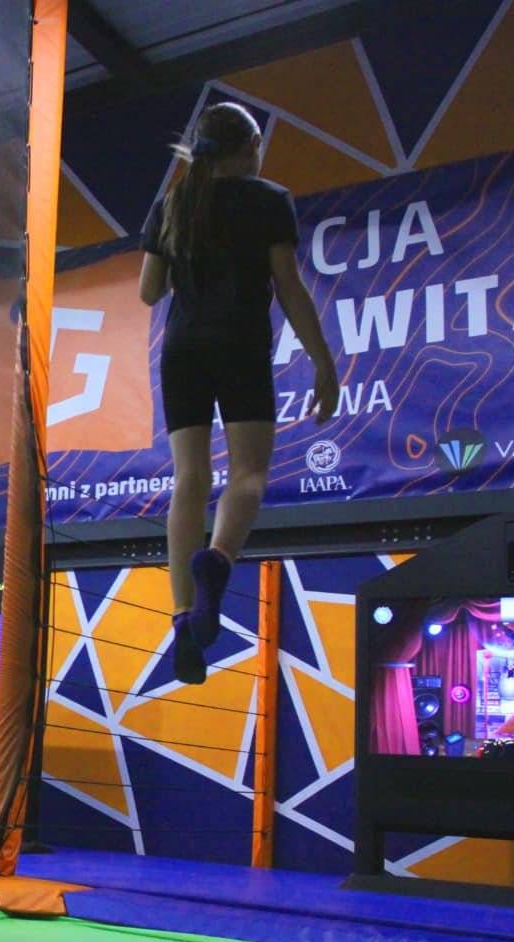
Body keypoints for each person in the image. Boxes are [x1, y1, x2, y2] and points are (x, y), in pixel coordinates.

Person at [139, 102, 340, 685]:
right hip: (241, 344)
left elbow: (149, 291)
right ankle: (219, 560)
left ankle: (184, 617)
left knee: (189, 479)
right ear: (251, 146)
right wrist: (323, 362)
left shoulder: (174, 203)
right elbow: (289, 286)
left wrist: (187, 255)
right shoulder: (268, 200)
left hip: (182, 349)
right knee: (249, 472)